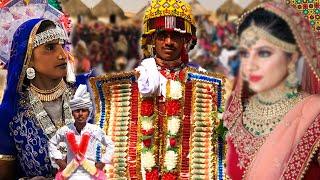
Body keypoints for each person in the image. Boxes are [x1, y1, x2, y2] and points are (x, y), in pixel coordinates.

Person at [90, 0, 226, 179]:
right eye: (162, 36)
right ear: (152, 39)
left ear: (186, 40)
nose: (168, 42)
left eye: (175, 36)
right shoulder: (138, 79)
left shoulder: (204, 84)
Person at [223, 1, 320, 180]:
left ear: (292, 57)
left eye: (264, 53)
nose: (250, 65)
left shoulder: (314, 115)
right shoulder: (235, 113)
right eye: (245, 53)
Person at [0, 18, 75, 178]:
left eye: (62, 45)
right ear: (28, 58)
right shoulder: (11, 113)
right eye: (50, 47)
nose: (62, 55)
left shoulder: (86, 91)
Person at [49, 85, 114, 180]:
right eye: (77, 111)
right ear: (72, 113)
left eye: (83, 111)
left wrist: (103, 162)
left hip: (90, 174)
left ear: (88, 113)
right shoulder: (66, 130)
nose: (80, 114)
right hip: (70, 174)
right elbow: (52, 142)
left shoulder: (95, 130)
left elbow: (110, 144)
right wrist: (58, 160)